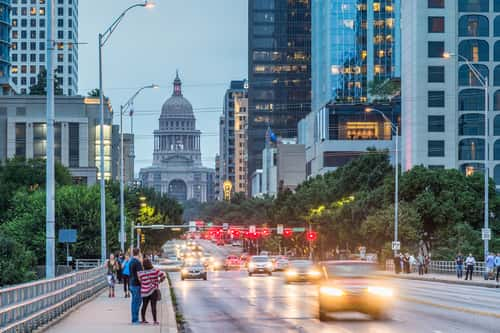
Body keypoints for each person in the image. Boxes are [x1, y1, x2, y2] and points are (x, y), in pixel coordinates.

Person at [138, 258, 166, 325]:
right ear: (150, 263)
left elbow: (140, 281)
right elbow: (163, 276)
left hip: (144, 291)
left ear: (143, 265)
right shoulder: (155, 271)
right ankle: (155, 321)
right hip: (153, 290)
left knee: (144, 305)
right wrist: (159, 281)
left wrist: (144, 284)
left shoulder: (141, 273)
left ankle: (143, 320)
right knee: (153, 306)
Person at [129, 248, 144, 325]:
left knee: (134, 302)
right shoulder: (137, 262)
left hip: (131, 284)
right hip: (136, 285)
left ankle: (134, 318)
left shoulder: (131, 261)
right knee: (137, 302)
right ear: (139, 253)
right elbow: (139, 275)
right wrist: (143, 283)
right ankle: (135, 320)